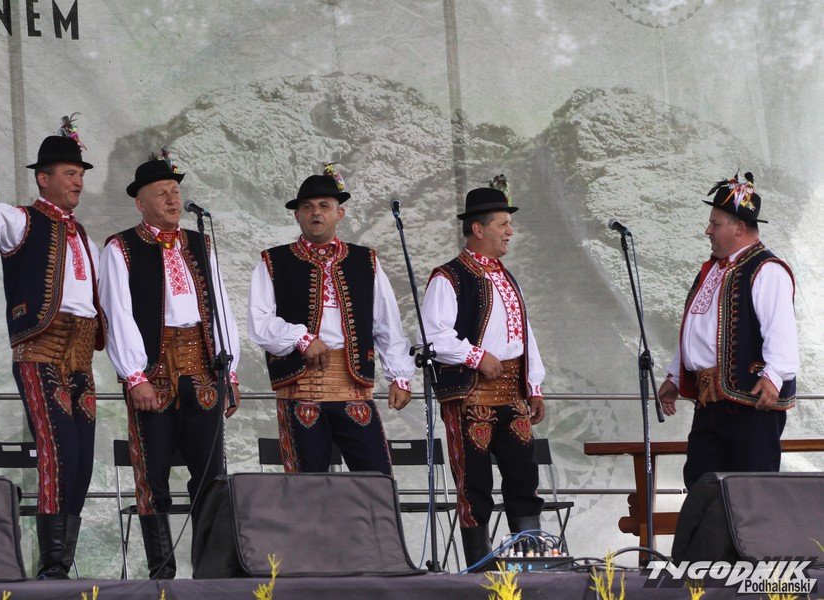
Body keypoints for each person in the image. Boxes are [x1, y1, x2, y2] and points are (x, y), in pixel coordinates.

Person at [0, 119, 105, 579]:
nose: (78, 181)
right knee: (60, 453)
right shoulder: (23, 221)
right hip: (41, 351)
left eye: (80, 174)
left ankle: (61, 563)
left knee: (82, 462)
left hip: (80, 357)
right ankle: (53, 569)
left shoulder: (85, 238)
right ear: (44, 178)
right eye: (69, 173)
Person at [99, 153, 241, 579]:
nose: (172, 199)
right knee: (153, 477)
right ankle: (161, 574)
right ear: (140, 202)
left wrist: (229, 371)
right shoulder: (121, 246)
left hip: (203, 370)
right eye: (161, 193)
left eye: (175, 191)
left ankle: (210, 573)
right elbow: (117, 313)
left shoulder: (200, 243)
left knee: (211, 478)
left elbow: (221, 308)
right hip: (154, 374)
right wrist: (134, 375)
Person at [247, 164, 414, 475]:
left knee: (375, 478)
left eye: (324, 205)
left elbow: (386, 324)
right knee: (308, 483)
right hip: (301, 387)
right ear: (297, 215)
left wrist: (399, 376)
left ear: (340, 213)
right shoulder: (274, 261)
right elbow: (259, 322)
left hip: (353, 386)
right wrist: (302, 338)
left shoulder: (365, 261)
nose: (316, 212)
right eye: (307, 207)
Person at [421, 176, 547, 567]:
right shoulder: (448, 277)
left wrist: (534, 385)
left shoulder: (506, 276)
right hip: (471, 395)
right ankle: (480, 568)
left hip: (512, 393)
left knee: (523, 479)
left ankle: (531, 562)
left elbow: (524, 334)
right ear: (478, 229)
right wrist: (476, 356)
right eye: (503, 224)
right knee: (474, 484)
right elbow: (433, 336)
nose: (510, 231)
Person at [658, 172, 798, 489]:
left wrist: (774, 376)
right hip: (711, 401)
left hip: (751, 403)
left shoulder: (766, 269)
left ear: (739, 227)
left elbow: (781, 330)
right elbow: (697, 327)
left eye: (715, 224)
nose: (708, 230)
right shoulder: (712, 270)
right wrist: (676, 377)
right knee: (702, 484)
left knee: (750, 490)